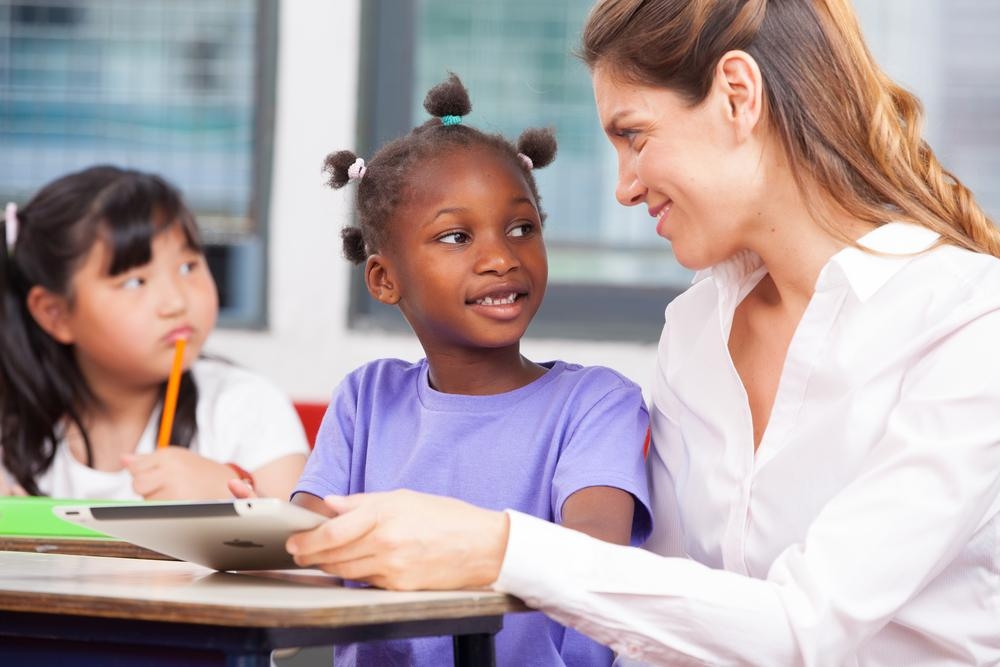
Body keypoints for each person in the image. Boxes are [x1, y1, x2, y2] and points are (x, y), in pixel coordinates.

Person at [269, 1, 1000, 665]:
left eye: (634, 135)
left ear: (737, 97)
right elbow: (654, 620)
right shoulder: (695, 330)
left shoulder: (969, 325)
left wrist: (495, 547)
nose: (623, 185)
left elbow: (800, 628)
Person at [289, 73, 653, 666]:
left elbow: (596, 557)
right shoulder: (365, 398)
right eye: (457, 236)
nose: (500, 258)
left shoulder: (596, 403)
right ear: (384, 278)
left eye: (521, 228)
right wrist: (256, 531)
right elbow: (305, 561)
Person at [0, 165, 308, 500]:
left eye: (188, 266)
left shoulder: (246, 407)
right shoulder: (12, 424)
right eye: (135, 282)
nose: (176, 302)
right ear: (55, 314)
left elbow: (298, 541)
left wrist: (226, 490)